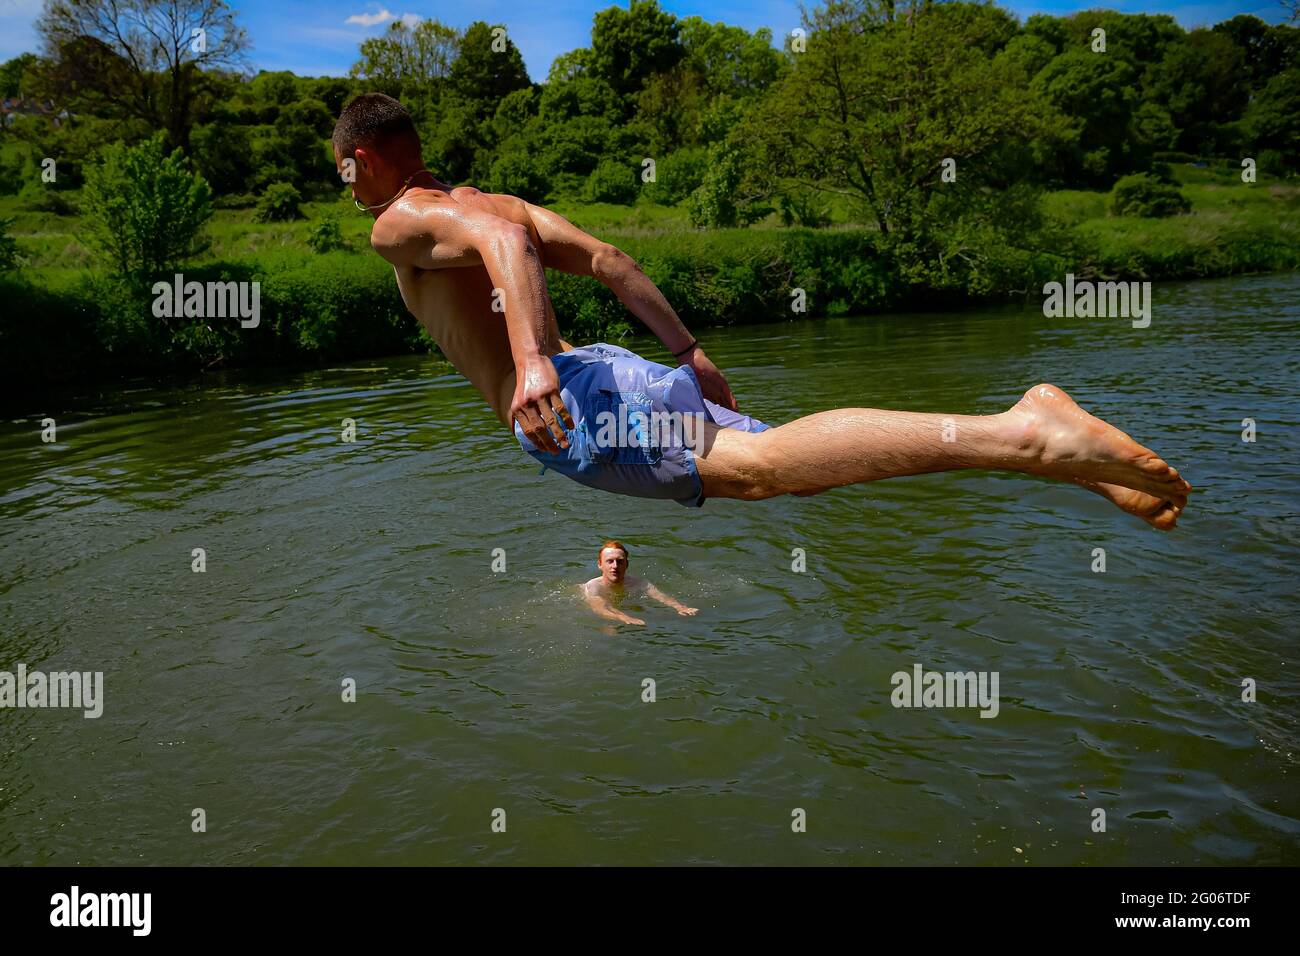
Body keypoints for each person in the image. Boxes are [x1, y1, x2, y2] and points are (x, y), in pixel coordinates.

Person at [332, 93, 1191, 528]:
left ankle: (1029, 433)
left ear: (366, 160)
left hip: (570, 403)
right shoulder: (499, 197)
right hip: (605, 372)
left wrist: (530, 363)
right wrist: (692, 352)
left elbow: (499, 247)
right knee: (777, 461)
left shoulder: (398, 223)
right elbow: (610, 262)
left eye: (342, 171)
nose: (345, 186)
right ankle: (1069, 464)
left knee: (769, 465)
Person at [583, 541, 697, 626]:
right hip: (608, 612)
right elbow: (599, 608)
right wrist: (625, 618)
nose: (615, 566)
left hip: (622, 605)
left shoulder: (639, 583)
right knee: (610, 631)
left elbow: (660, 596)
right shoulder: (593, 586)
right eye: (610, 561)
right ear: (599, 564)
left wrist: (681, 607)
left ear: (626, 564)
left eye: (620, 561)